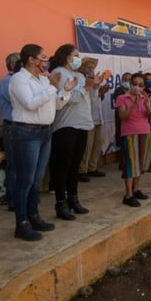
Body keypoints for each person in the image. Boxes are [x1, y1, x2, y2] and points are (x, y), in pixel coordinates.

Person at [9, 44, 76, 241]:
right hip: (26, 132)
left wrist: (64, 91)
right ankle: (21, 223)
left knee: (36, 179)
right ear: (31, 59)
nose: (46, 61)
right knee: (25, 180)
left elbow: (55, 104)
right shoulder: (19, 79)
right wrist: (53, 87)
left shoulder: (43, 80)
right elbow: (30, 104)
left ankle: (34, 216)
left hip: (45, 131)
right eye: (43, 57)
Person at [48, 44, 94, 221]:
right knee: (63, 166)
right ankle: (61, 203)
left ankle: (73, 199)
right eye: (76, 55)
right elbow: (68, 99)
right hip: (66, 125)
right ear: (67, 57)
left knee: (74, 166)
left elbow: (88, 99)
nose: (78, 58)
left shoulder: (79, 75)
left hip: (82, 123)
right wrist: (87, 88)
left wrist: (93, 87)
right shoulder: (58, 73)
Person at [115, 72, 151, 207]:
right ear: (130, 84)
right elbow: (123, 116)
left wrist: (147, 104)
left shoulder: (145, 97)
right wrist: (134, 104)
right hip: (129, 133)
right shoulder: (122, 98)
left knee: (141, 163)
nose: (137, 87)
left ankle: (136, 189)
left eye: (140, 85)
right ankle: (128, 194)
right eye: (134, 84)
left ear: (143, 87)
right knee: (131, 163)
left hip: (145, 132)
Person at [0, 53, 21, 210]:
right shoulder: (8, 82)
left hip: (22, 126)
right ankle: (13, 200)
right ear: (12, 65)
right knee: (14, 165)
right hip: (13, 126)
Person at [78, 57, 107, 181]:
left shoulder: (94, 79)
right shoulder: (80, 80)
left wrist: (99, 89)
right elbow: (84, 98)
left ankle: (92, 167)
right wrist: (92, 85)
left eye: (92, 67)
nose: (91, 70)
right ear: (82, 67)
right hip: (87, 117)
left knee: (97, 144)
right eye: (88, 67)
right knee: (87, 146)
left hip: (98, 116)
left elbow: (95, 97)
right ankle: (82, 170)